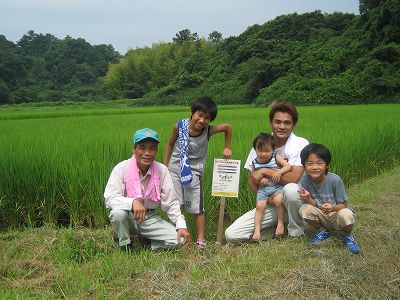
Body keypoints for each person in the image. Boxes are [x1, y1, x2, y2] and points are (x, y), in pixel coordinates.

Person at [225, 101, 309, 243]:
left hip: (294, 203)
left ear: (293, 124)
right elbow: (251, 179)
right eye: (277, 122)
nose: (282, 127)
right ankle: (276, 228)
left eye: (287, 123)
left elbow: (293, 178)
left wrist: (264, 170)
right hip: (272, 202)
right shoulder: (259, 146)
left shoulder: (300, 144)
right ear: (271, 122)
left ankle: (296, 228)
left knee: (290, 189)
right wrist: (264, 198)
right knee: (232, 234)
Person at [104, 128, 190, 252]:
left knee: (180, 241)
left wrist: (181, 225)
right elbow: (110, 198)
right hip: (127, 217)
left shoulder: (162, 170)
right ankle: (125, 244)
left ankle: (148, 244)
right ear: (134, 149)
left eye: (152, 148)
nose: (147, 153)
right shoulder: (121, 168)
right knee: (117, 214)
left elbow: (170, 203)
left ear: (156, 151)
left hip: (149, 218)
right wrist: (132, 202)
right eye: (142, 147)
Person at [164, 96, 232, 249]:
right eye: (199, 115)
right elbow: (169, 144)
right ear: (191, 112)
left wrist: (227, 146)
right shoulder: (179, 127)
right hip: (175, 170)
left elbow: (227, 127)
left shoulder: (207, 131)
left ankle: (201, 240)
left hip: (194, 173)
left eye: (207, 118)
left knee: (197, 207)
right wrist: (165, 167)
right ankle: (177, 237)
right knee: (177, 205)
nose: (202, 120)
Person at [298, 143, 361, 254]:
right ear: (304, 165)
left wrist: (332, 207)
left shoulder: (335, 180)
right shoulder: (305, 180)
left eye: (319, 163)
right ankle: (323, 231)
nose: (315, 167)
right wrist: (308, 198)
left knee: (346, 214)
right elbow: (315, 205)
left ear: (327, 165)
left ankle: (347, 235)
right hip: (321, 213)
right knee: (304, 208)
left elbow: (344, 205)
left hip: (336, 213)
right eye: (310, 163)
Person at [251, 133, 292, 240]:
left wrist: (279, 172)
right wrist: (260, 180)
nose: (263, 154)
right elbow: (254, 176)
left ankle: (280, 222)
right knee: (259, 207)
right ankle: (257, 229)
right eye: (260, 151)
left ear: (273, 150)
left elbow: (288, 166)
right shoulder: (254, 163)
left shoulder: (276, 157)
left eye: (267, 151)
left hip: (277, 186)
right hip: (263, 189)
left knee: (279, 200)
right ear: (255, 150)